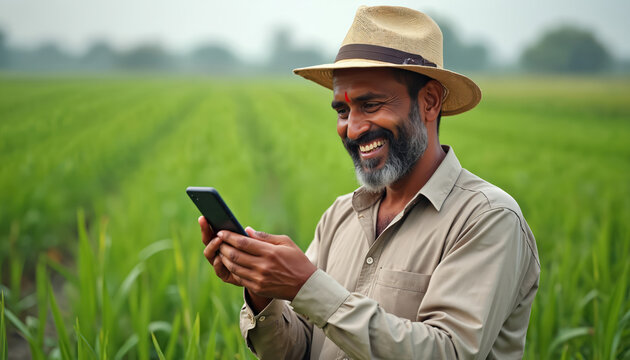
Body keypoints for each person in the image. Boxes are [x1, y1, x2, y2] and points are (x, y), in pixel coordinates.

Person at [199, 5, 540, 359]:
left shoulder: (486, 218)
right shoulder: (339, 216)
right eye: (343, 111)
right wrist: (263, 292)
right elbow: (300, 350)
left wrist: (306, 285)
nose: (354, 128)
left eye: (371, 105)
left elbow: (449, 351)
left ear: (429, 101)